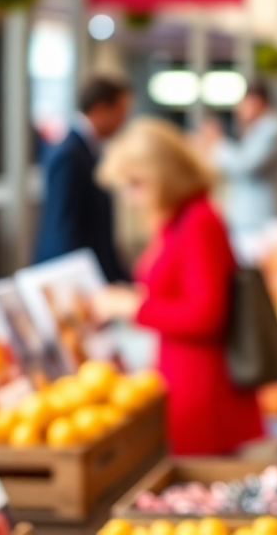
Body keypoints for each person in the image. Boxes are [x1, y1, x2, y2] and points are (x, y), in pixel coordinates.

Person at [92, 118, 263, 456]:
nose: (131, 197)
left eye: (136, 184)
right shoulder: (181, 219)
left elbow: (207, 315)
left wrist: (132, 307)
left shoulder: (198, 221)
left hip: (201, 388)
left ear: (162, 177)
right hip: (183, 376)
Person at [33, 76, 130, 283]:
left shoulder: (89, 150)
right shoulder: (69, 155)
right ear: (101, 110)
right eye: (121, 113)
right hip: (69, 276)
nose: (123, 121)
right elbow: (64, 228)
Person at [200, 79, 277, 237]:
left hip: (260, 221)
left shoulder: (274, 128)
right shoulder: (258, 129)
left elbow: (247, 165)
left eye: (242, 103)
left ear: (256, 101)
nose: (238, 110)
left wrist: (218, 143)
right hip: (250, 221)